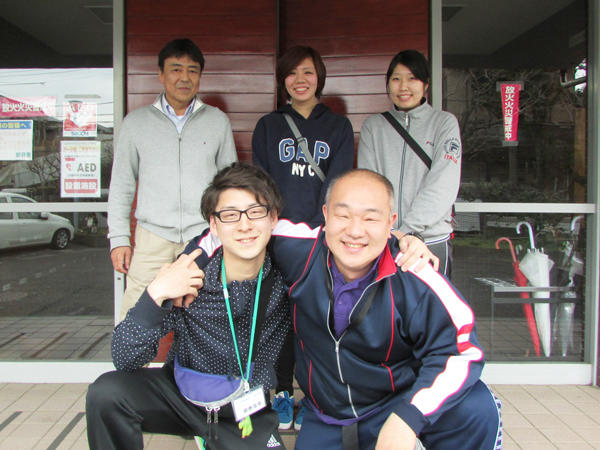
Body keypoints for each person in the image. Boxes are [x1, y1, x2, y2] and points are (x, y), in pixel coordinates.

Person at [191, 169, 501, 449]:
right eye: (343, 215)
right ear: (325, 215)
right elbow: (236, 229)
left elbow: (462, 352)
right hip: (327, 415)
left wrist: (409, 417)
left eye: (370, 219)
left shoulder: (414, 274)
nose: (355, 231)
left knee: (475, 406)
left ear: (391, 223)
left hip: (393, 405)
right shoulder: (300, 251)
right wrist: (184, 265)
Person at [86, 163, 290, 450]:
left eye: (255, 212)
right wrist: (155, 294)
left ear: (273, 218)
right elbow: (125, 358)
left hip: (244, 412)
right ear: (214, 225)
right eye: (230, 215)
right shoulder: (190, 279)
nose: (244, 225)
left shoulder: (289, 279)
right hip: (181, 397)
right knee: (107, 393)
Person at [251, 45, 355, 430]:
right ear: (283, 80)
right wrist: (276, 223)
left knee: (317, 323)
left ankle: (315, 397)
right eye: (292, 73)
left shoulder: (338, 127)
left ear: (319, 78)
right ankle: (281, 394)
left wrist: (317, 225)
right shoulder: (269, 125)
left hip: (321, 243)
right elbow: (260, 182)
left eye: (308, 72)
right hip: (277, 241)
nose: (300, 80)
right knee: (277, 320)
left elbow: (339, 183)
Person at [108, 38, 238, 321]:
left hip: (203, 235)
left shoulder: (217, 121)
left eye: (192, 70)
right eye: (176, 69)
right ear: (161, 74)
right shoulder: (136, 123)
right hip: (152, 237)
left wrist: (227, 232)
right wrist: (119, 238)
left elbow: (230, 184)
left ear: (200, 76)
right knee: (135, 314)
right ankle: (129, 354)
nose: (184, 78)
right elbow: (121, 185)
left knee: (205, 313)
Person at [358, 49, 461, 277]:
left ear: (426, 84)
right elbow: (369, 185)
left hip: (430, 240)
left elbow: (443, 184)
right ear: (388, 85)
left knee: (430, 301)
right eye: (396, 79)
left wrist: (408, 231)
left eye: (412, 78)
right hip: (386, 240)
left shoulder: (444, 123)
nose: (403, 87)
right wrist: (389, 231)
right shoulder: (374, 127)